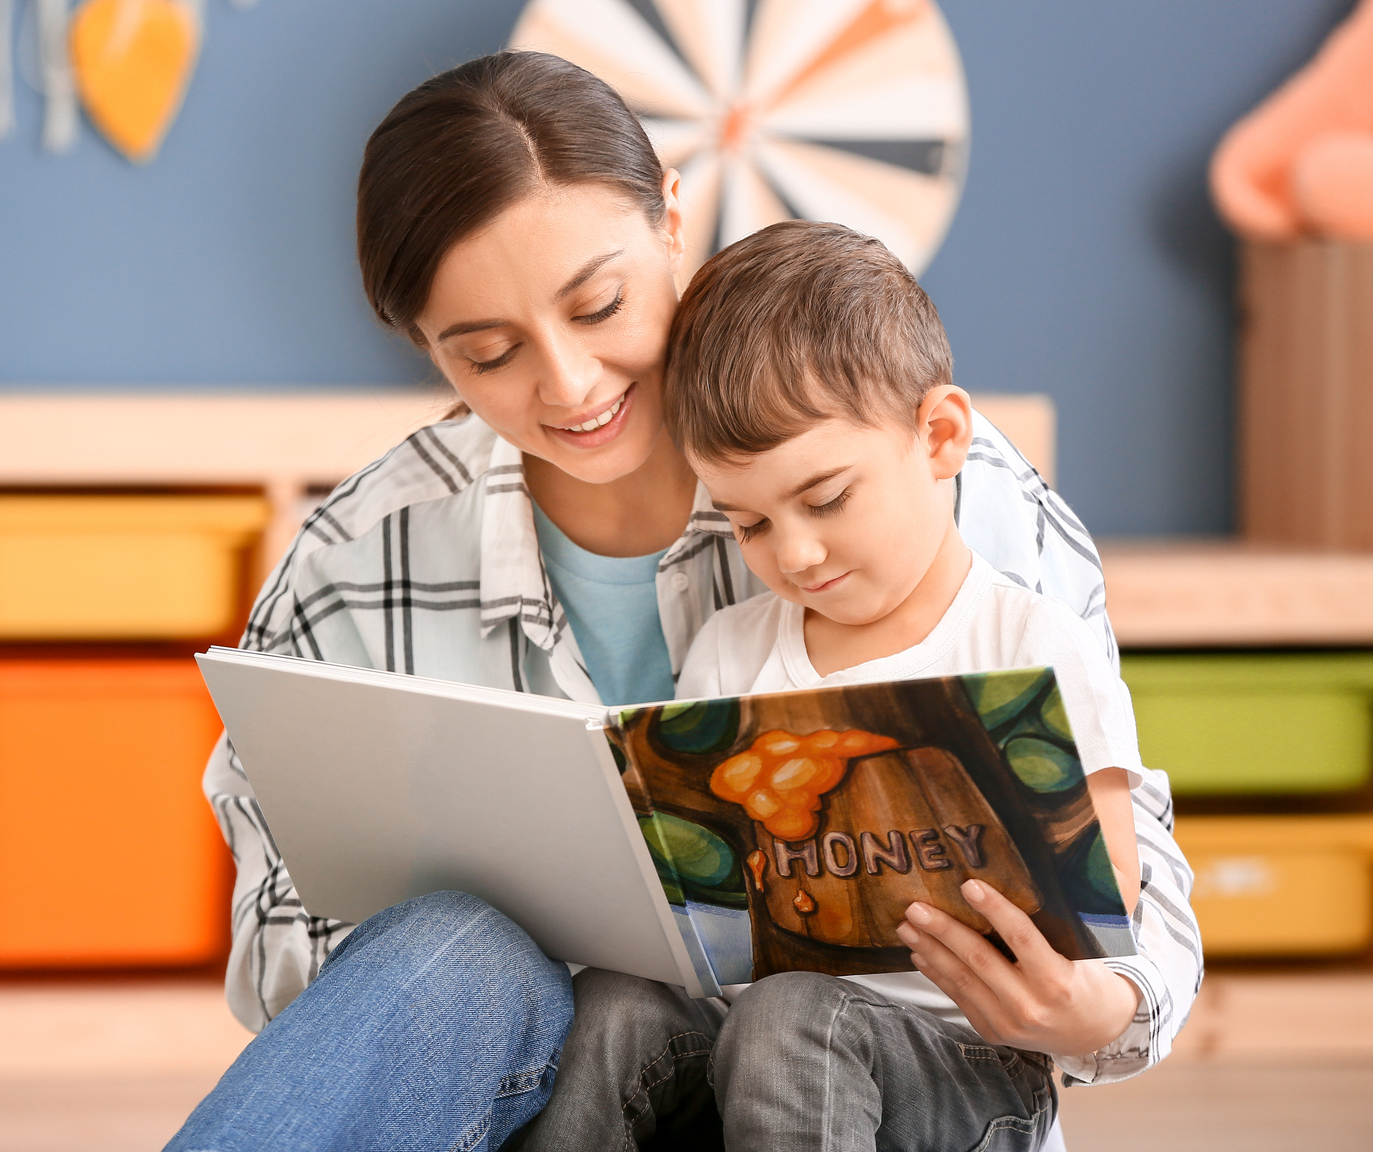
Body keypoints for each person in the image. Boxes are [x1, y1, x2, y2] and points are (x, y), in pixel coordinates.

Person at [163, 51, 1197, 1152]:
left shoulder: (941, 487)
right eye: (490, 353)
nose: (567, 385)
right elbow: (293, 968)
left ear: (670, 216)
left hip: (871, 1095)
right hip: (565, 1085)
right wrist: (521, 945)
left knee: (792, 1025)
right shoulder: (355, 562)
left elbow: (1137, 908)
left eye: (598, 304)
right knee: (465, 950)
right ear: (427, 350)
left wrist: (1089, 1007)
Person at [524, 219, 1201, 1151]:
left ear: (940, 436)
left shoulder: (1029, 642)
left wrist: (1055, 986)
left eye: (828, 498)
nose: (794, 555)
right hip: (766, 1060)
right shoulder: (730, 650)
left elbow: (1106, 892)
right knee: (612, 1005)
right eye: (750, 524)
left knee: (800, 1015)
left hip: (971, 1074)